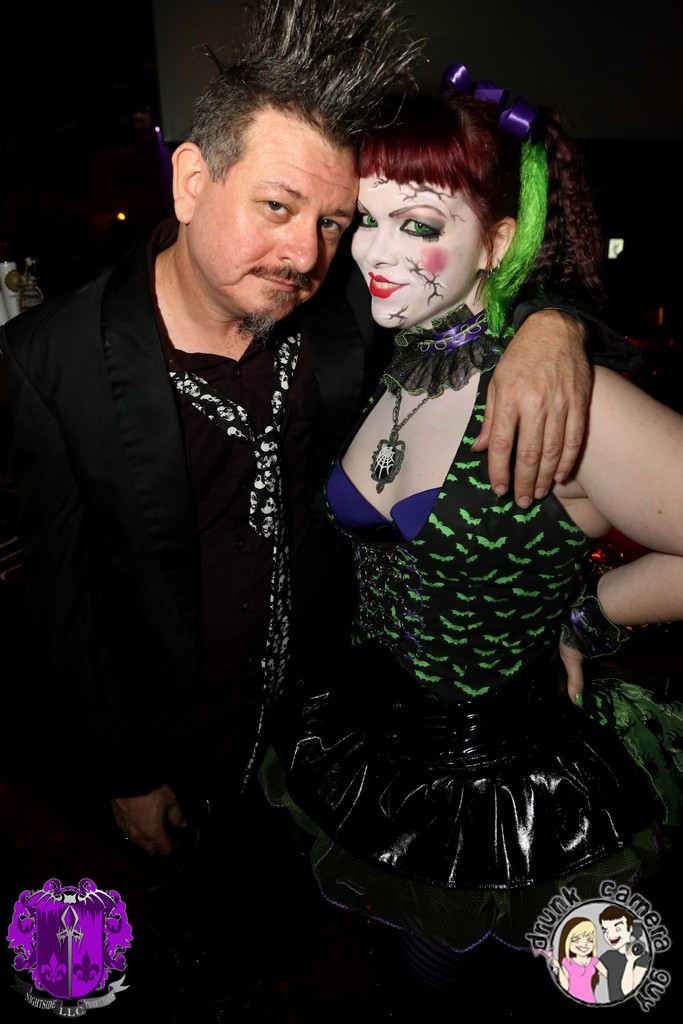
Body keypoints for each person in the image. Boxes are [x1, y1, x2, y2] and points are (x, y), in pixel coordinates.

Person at [0, 4, 630, 1017]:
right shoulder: (53, 360)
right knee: (182, 948)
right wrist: (126, 770)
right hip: (176, 742)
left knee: (324, 939)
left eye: (335, 221)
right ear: (192, 181)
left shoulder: (342, 311)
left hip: (332, 728)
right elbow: (63, 602)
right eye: (278, 206)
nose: (308, 253)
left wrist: (555, 325)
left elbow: (480, 275)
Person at [258, 61, 683, 1016]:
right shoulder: (396, 350)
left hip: (508, 787)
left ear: (497, 241)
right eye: (365, 219)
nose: (375, 252)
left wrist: (585, 616)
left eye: (418, 224)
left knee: (466, 985)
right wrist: (554, 318)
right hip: (377, 752)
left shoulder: (559, 399)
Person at [598, 905, 651, 1002]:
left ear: (630, 929)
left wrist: (630, 961)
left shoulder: (643, 957)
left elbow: (628, 992)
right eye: (605, 930)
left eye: (617, 929)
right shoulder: (608, 956)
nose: (610, 935)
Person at [550, 916, 607, 1004]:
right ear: (567, 941)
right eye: (576, 940)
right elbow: (565, 987)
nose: (584, 944)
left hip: (590, 1001)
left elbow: (610, 976)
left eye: (590, 940)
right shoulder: (566, 962)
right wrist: (558, 967)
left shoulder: (594, 961)